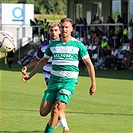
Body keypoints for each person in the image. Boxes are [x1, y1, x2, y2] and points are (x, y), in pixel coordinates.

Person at [22, 18, 96, 133]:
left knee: (56, 109)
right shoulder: (53, 45)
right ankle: (59, 125)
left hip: (68, 83)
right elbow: (42, 61)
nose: (64, 29)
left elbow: (89, 64)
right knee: (43, 112)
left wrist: (93, 83)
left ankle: (60, 128)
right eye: (63, 27)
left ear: (71, 29)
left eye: (67, 27)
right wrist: (29, 76)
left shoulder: (78, 45)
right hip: (53, 82)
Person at [21, 22, 70, 133]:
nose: (53, 32)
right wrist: (27, 67)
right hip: (49, 78)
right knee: (48, 110)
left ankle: (65, 128)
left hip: (62, 78)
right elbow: (38, 59)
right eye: (51, 30)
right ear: (48, 31)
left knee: (57, 105)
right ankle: (59, 123)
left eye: (56, 30)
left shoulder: (65, 44)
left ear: (60, 31)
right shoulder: (44, 46)